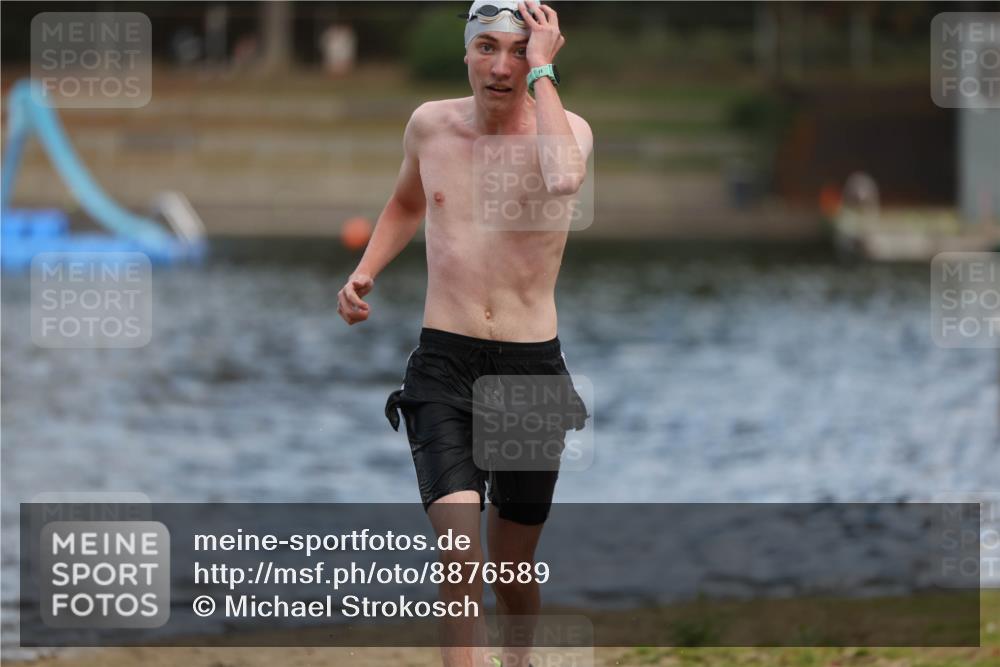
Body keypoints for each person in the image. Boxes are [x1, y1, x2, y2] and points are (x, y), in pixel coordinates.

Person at [338, 2, 591, 665]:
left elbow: (564, 177)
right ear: (466, 54)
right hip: (443, 364)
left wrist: (545, 70)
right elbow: (405, 202)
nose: (501, 65)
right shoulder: (430, 125)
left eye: (517, 51)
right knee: (459, 557)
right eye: (487, 47)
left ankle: (519, 656)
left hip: (530, 372)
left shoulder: (566, 131)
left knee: (511, 568)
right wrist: (364, 271)